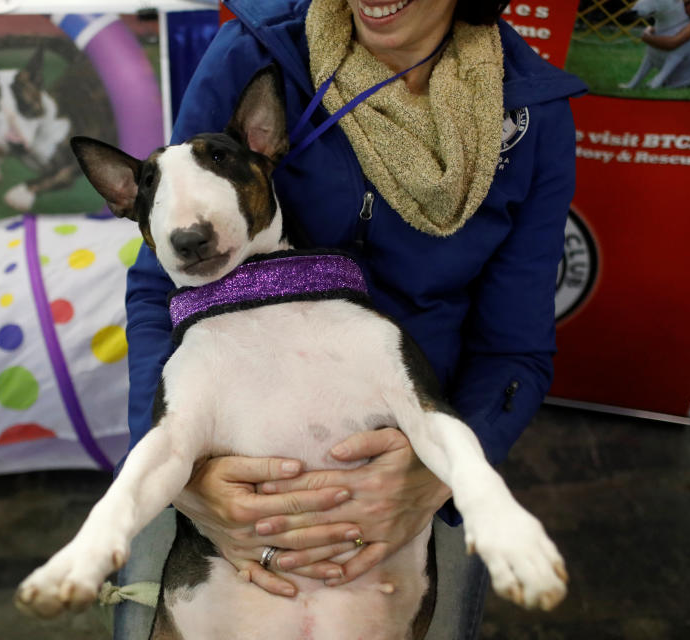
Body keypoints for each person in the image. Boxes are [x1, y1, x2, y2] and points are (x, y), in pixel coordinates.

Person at [115, 0, 585, 638]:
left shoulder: (534, 116)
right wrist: (190, 477)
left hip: (410, 455)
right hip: (230, 449)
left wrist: (431, 482)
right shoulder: (254, 56)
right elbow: (157, 284)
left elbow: (515, 352)